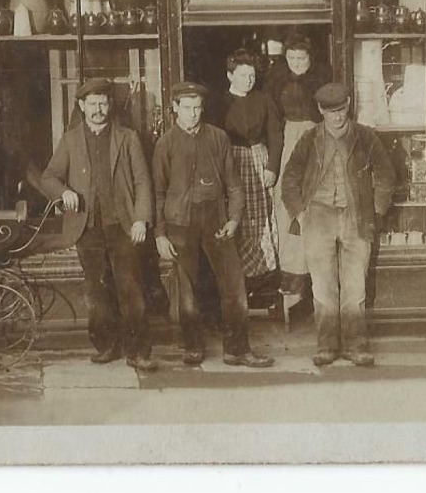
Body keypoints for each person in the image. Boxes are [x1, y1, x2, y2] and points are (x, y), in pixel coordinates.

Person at [152, 81, 274, 369]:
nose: (193, 114)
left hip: (216, 219)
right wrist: (159, 233)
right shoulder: (165, 144)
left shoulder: (218, 138)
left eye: (197, 108)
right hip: (180, 222)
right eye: (187, 108)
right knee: (187, 288)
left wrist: (233, 218)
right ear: (175, 109)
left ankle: (238, 350)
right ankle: (193, 346)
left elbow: (233, 183)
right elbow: (157, 192)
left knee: (234, 284)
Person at [39, 78, 157, 371]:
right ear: (81, 106)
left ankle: (138, 351)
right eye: (92, 104)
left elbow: (143, 181)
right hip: (87, 228)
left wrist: (141, 218)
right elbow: (48, 177)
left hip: (123, 226)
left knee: (130, 289)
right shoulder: (71, 140)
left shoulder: (128, 138)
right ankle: (106, 345)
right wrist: (63, 192)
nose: (98, 109)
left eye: (103, 103)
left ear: (110, 105)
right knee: (97, 290)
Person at [279, 81, 396, 367]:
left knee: (355, 287)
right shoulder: (309, 139)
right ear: (320, 110)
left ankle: (356, 345)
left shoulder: (365, 137)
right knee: (323, 287)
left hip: (357, 217)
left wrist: (376, 211)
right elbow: (290, 179)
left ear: (348, 106)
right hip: (318, 217)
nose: (337, 117)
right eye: (330, 112)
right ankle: (327, 345)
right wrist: (300, 213)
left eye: (341, 110)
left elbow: (385, 176)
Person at [264, 32, 330, 310]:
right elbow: (271, 119)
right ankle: (291, 277)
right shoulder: (276, 78)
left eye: (301, 58)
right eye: (291, 58)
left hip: (315, 139)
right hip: (287, 140)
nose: (296, 63)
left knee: (314, 203)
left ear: (310, 58)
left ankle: (314, 279)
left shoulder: (321, 76)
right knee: (286, 206)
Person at [215, 49, 284, 296]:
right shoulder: (219, 102)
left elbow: (276, 135)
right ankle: (239, 281)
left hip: (258, 159)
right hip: (230, 161)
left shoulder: (263, 99)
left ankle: (262, 278)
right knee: (236, 218)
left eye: (252, 75)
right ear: (230, 76)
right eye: (243, 75)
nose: (249, 80)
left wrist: (272, 167)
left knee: (261, 217)